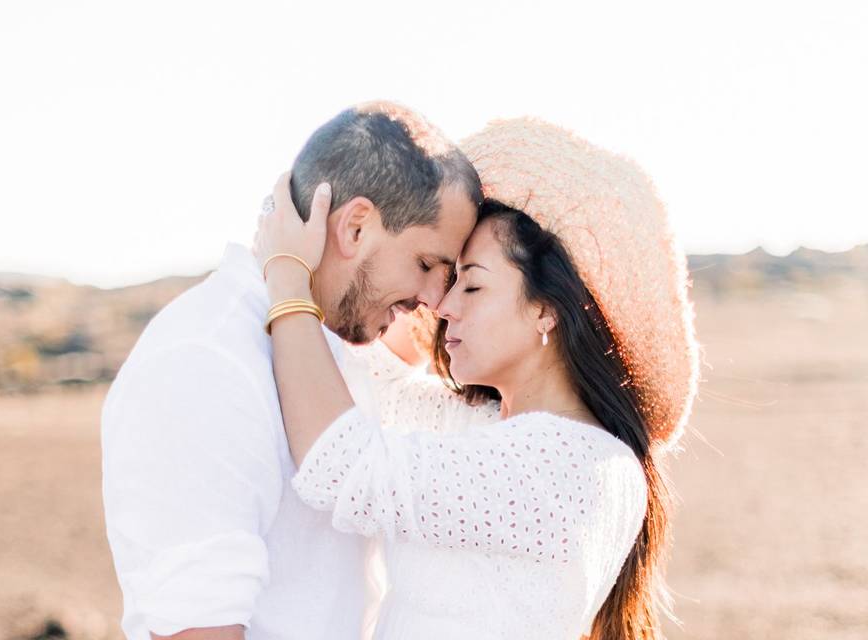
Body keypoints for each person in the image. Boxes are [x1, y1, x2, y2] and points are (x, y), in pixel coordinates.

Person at [254, 118, 701, 639]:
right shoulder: (488, 427)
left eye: (472, 287)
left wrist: (285, 274)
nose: (442, 306)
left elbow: (341, 464)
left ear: (546, 311)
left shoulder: (570, 463)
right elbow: (380, 386)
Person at [100, 102, 481, 640]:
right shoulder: (205, 362)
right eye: (425, 265)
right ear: (354, 227)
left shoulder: (325, 350)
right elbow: (199, 630)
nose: (432, 300)